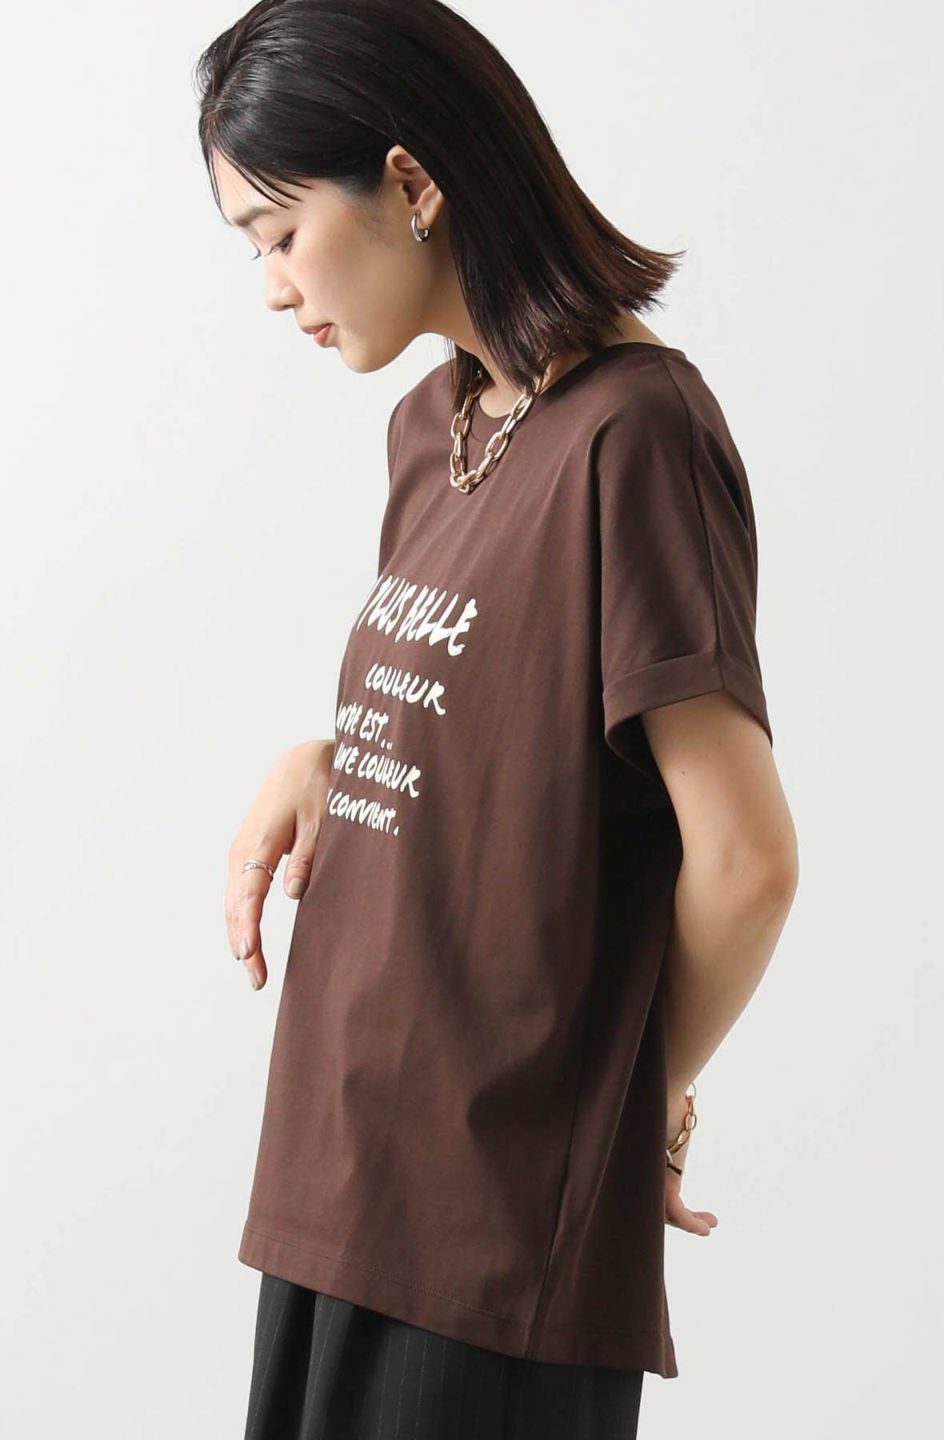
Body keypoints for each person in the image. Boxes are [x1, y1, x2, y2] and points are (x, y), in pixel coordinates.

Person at [194, 1, 798, 1435]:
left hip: (490, 1231)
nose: (272, 287)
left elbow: (746, 860)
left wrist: (626, 1106)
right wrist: (334, 754)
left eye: (280, 232)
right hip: (341, 1180)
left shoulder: (636, 433)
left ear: (411, 183)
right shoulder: (437, 426)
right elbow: (513, 722)